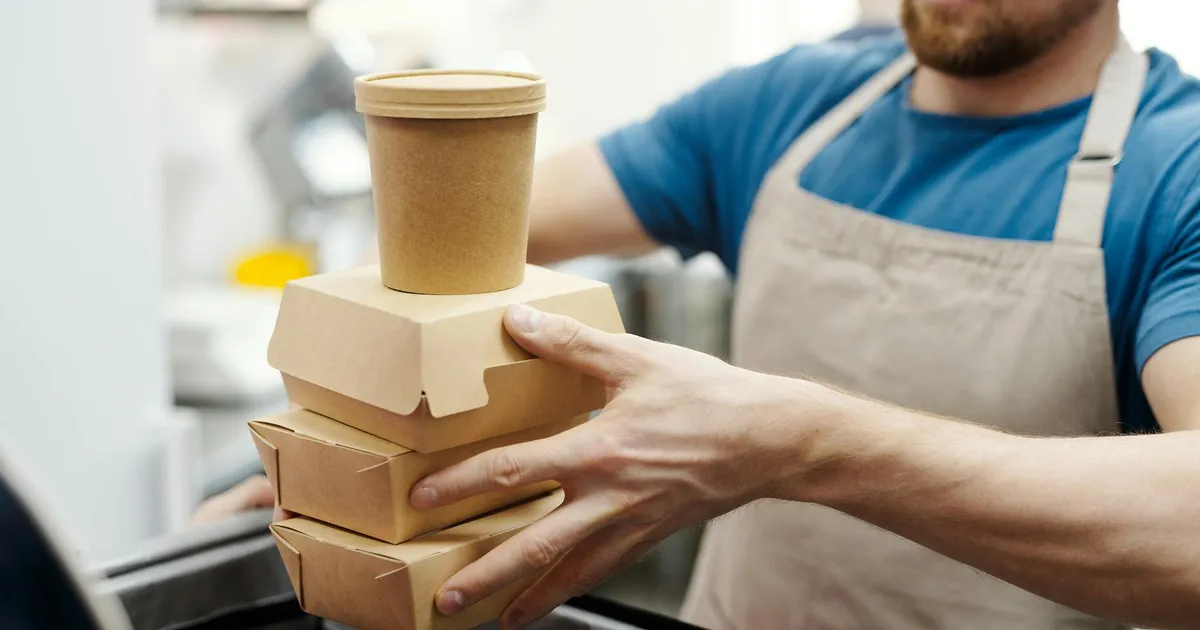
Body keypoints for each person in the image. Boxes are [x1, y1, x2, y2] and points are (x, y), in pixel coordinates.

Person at [400, 0, 1200, 629]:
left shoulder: (1178, 167)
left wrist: (802, 443)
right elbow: (472, 232)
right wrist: (358, 425)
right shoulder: (792, 103)